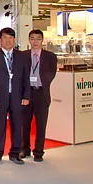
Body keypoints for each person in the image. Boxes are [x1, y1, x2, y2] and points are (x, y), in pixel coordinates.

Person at [0, 27, 30, 166]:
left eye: (11, 38)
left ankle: (15, 153)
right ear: (0, 40)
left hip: (17, 97)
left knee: (17, 125)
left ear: (14, 40)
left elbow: (26, 78)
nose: (8, 41)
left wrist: (26, 96)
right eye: (5, 38)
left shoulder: (22, 56)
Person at [21, 29, 58, 162]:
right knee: (24, 124)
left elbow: (52, 73)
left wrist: (42, 81)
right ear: (29, 40)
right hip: (27, 93)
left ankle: (38, 152)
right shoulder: (23, 55)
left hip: (41, 93)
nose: (35, 41)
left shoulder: (50, 56)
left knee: (41, 124)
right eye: (32, 38)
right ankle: (24, 149)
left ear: (42, 40)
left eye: (38, 38)